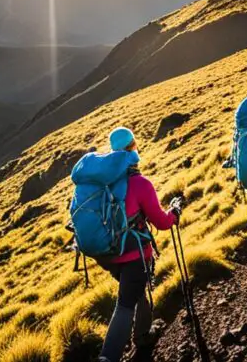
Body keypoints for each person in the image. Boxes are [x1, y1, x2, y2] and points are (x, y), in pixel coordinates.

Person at [96, 127, 182, 362]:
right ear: (133, 148)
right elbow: (162, 223)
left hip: (108, 254)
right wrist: (174, 213)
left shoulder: (105, 182)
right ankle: (108, 356)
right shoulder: (140, 184)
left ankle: (142, 334)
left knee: (135, 291)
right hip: (134, 255)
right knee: (124, 305)